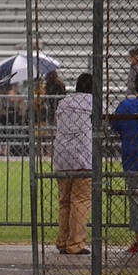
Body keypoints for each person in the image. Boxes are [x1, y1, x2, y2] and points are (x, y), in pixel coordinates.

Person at [53, 73, 93, 255]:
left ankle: (62, 240)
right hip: (83, 157)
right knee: (81, 200)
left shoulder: (64, 102)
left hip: (62, 157)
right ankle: (75, 243)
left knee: (65, 202)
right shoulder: (93, 102)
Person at [111, 71, 138, 254]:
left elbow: (116, 127)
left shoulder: (126, 105)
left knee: (137, 199)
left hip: (133, 159)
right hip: (135, 158)